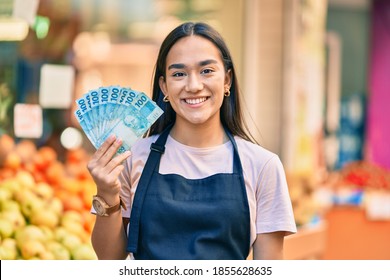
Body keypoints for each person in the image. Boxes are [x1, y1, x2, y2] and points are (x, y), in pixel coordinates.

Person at [87, 21, 297, 260]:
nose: (194, 86)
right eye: (179, 74)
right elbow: (109, 260)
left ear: (227, 80)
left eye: (207, 71)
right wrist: (106, 193)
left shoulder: (263, 166)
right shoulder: (132, 156)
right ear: (164, 86)